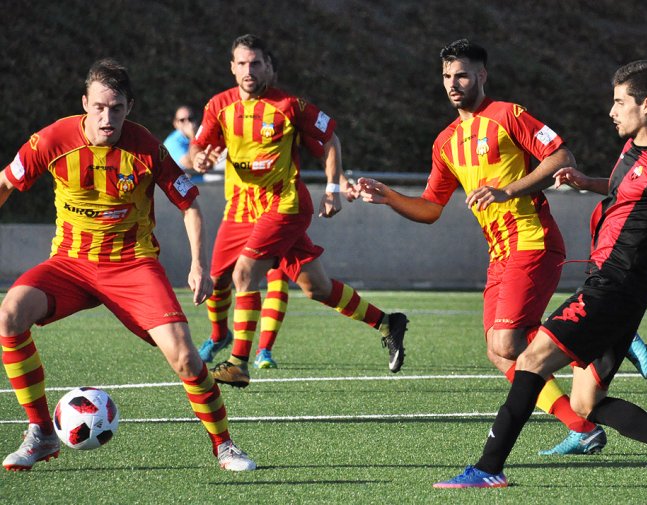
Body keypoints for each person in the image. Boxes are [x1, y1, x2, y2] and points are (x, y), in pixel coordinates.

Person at [357, 39, 647, 457]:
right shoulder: (445, 142)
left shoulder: (508, 115)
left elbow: (561, 154)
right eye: (446, 76)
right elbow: (429, 209)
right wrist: (388, 196)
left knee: (508, 342)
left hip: (532, 240)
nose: (453, 83)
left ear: (481, 75)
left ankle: (601, 332)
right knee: (500, 353)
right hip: (499, 255)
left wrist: (508, 190)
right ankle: (581, 425)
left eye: (462, 74)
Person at [434, 60, 647, 489]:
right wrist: (588, 182)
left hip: (614, 286)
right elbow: (628, 190)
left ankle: (488, 467)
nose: (611, 111)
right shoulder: (633, 152)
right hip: (616, 288)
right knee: (584, 404)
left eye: (620, 102)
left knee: (527, 360)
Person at [0, 59, 255, 472]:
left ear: (129, 107)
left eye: (116, 108)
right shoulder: (50, 140)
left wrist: (197, 266)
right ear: (84, 103)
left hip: (132, 265)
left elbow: (190, 205)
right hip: (70, 264)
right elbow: (7, 182)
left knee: (187, 359)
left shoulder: (147, 148)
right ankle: (42, 433)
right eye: (99, 107)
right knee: (9, 315)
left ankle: (224, 445)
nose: (107, 117)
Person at [190, 34, 408, 388]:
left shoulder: (290, 105)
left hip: (284, 206)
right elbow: (195, 151)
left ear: (269, 68)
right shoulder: (219, 106)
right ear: (232, 68)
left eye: (256, 63)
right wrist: (197, 158)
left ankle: (238, 364)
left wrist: (334, 189)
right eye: (242, 63)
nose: (249, 70)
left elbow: (331, 140)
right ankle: (388, 322)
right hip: (240, 210)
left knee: (245, 276)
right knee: (315, 287)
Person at [163, 105, 198, 172]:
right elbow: (189, 164)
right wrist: (192, 136)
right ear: (176, 124)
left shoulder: (199, 135)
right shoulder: (172, 142)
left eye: (190, 119)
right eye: (182, 120)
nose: (187, 122)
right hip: (184, 180)